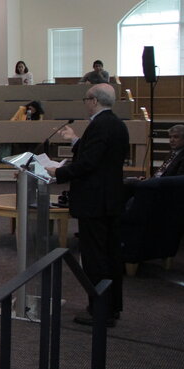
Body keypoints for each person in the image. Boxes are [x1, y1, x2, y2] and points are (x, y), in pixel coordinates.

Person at [46, 84, 129, 327]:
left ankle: (99, 311)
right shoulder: (116, 124)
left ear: (93, 100)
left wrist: (58, 172)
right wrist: (75, 140)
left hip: (95, 202)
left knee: (95, 258)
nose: (85, 103)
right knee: (111, 255)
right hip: (111, 199)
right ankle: (112, 306)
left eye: (86, 99)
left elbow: (89, 164)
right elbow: (99, 155)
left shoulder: (99, 125)